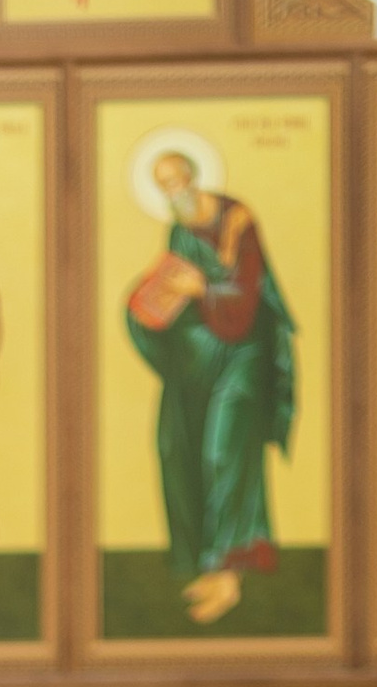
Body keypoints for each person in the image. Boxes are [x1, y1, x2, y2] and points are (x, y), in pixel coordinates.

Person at [124, 150, 297, 624]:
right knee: (177, 443)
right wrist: (154, 297)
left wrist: (203, 291)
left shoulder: (236, 221)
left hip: (247, 355)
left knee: (226, 453)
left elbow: (247, 293)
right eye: (162, 185)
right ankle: (208, 559)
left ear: (192, 176)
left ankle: (230, 575)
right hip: (207, 355)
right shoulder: (179, 229)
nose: (171, 191)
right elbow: (177, 279)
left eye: (176, 180)